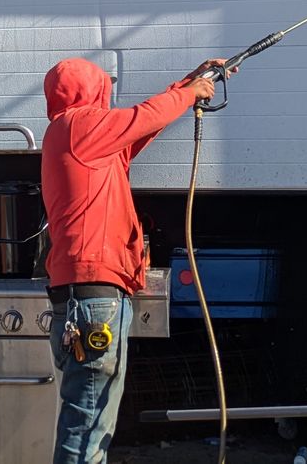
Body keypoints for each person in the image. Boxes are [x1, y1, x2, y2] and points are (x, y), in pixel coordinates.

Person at [41, 57, 230, 464]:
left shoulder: (85, 141)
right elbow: (139, 118)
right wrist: (188, 92)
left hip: (90, 298)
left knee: (91, 421)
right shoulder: (78, 126)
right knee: (88, 425)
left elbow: (142, 126)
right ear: (91, 91)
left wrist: (187, 83)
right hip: (94, 300)